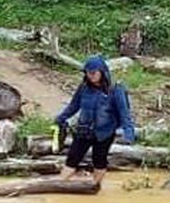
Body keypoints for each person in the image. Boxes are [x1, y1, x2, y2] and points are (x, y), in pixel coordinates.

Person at [54, 55, 136, 187]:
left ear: (102, 72)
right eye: (87, 73)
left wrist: (129, 134)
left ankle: (94, 187)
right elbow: (74, 105)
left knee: (99, 160)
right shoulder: (84, 87)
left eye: (93, 73)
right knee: (72, 159)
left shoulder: (116, 89)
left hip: (104, 133)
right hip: (83, 130)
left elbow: (124, 113)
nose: (90, 76)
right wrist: (61, 118)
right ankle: (58, 185)